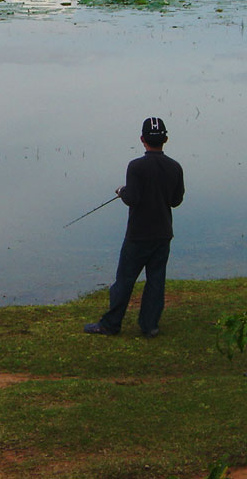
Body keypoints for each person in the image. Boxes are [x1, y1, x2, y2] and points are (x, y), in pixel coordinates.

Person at [84, 116, 184, 338]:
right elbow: (176, 201)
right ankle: (150, 326)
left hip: (138, 234)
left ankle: (111, 325)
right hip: (163, 233)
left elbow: (133, 199)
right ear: (165, 139)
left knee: (125, 280)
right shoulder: (175, 167)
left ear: (142, 139)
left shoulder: (136, 166)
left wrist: (121, 191)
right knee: (156, 280)